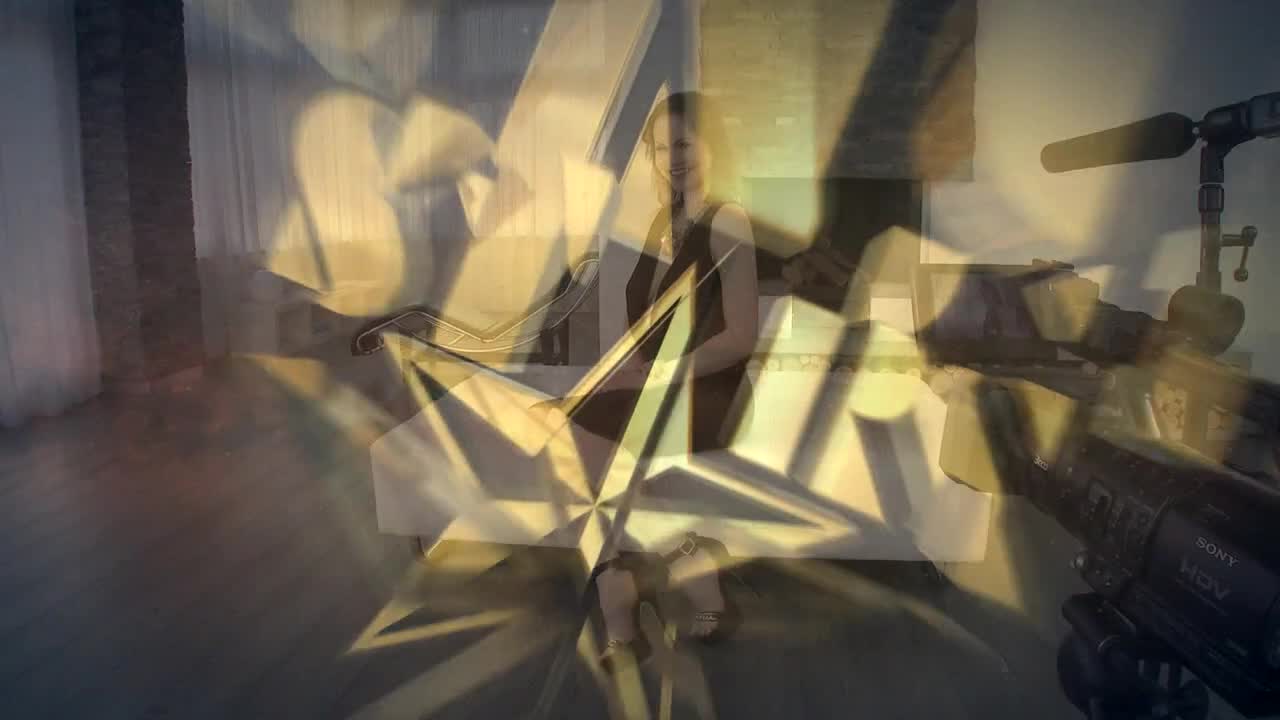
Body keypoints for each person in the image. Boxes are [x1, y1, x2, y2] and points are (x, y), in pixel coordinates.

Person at [537, 91, 759, 669]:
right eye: (661, 149)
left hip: (708, 387)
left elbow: (741, 337)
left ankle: (624, 610)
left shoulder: (728, 220)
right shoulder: (664, 222)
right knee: (565, 429)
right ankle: (686, 568)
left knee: (587, 445)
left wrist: (657, 374)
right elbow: (645, 329)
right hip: (656, 383)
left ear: (711, 145)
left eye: (683, 144)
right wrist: (609, 375)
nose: (672, 159)